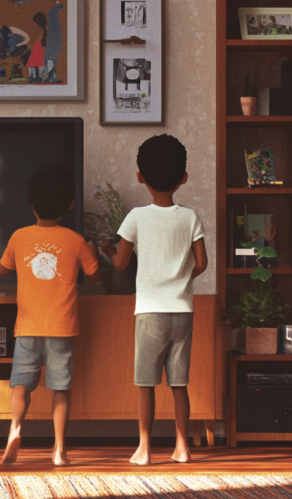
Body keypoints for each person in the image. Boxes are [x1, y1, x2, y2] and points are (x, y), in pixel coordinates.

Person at [101, 135, 208, 466]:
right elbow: (202, 264)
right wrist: (181, 278)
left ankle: (144, 448)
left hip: (149, 312)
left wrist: (105, 249)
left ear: (139, 176)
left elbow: (120, 263)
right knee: (179, 384)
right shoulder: (190, 218)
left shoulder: (136, 217)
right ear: (183, 178)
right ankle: (182, 447)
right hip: (182, 313)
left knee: (145, 384)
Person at [0, 162, 99, 466]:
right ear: (70, 204)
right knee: (60, 389)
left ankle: (16, 426)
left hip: (28, 328)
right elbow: (94, 277)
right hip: (62, 328)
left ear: (31, 204)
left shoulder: (19, 237)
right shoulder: (75, 240)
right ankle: (58, 450)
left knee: (20, 384)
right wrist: (93, 251)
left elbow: (3, 271)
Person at [43, 0, 64, 83]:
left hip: (54, 33)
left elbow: (60, 6)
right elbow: (60, 5)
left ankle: (51, 75)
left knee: (52, 55)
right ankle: (50, 75)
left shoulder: (51, 11)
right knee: (51, 55)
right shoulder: (51, 11)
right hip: (53, 34)